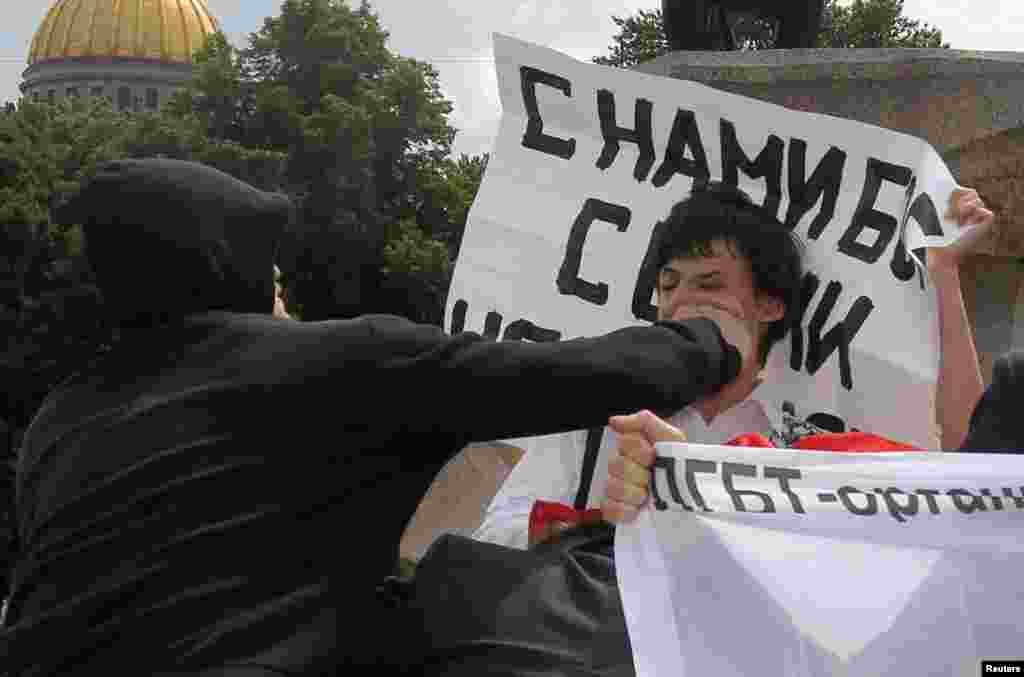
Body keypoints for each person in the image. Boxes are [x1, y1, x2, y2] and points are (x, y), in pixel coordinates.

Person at [0, 158, 753, 676]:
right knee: (482, 588)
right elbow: (584, 377)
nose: (286, 298)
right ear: (227, 270)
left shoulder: (58, 422)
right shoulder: (325, 365)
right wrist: (712, 337)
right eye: (272, 278)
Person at [475, 182, 992, 549]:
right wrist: (604, 529)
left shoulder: (801, 438)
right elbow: (493, 534)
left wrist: (944, 273)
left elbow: (968, 473)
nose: (681, 305)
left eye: (710, 285)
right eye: (669, 285)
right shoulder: (599, 413)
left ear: (769, 305)